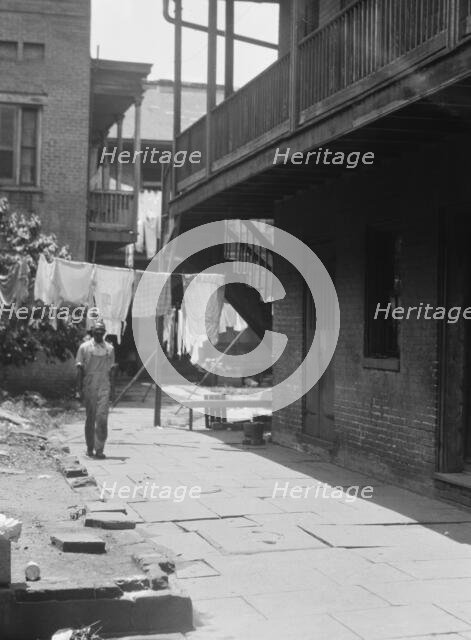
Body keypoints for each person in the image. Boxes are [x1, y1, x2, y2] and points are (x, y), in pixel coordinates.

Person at [75, 320, 116, 459]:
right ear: (92, 332)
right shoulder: (84, 347)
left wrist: (113, 391)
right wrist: (78, 389)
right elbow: (80, 370)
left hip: (104, 386)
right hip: (89, 386)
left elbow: (112, 371)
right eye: (96, 331)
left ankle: (100, 449)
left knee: (102, 419)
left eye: (101, 332)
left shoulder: (110, 349)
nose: (99, 334)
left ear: (104, 333)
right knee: (90, 419)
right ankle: (89, 448)